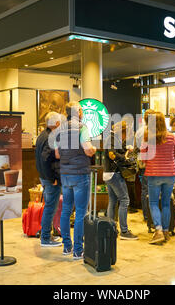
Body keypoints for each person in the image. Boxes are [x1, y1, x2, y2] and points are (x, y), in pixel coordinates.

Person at [55, 101, 96, 260]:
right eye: (81, 110)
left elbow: (57, 155)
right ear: (78, 112)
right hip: (80, 175)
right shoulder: (82, 128)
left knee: (66, 210)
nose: (83, 113)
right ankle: (78, 250)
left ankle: (67, 247)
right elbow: (87, 150)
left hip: (65, 174)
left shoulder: (59, 130)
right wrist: (94, 149)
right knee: (80, 212)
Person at [140, 112, 175, 244]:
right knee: (166, 203)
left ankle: (159, 230)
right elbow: (174, 154)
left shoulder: (147, 138)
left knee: (154, 203)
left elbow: (143, 158)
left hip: (154, 174)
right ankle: (166, 231)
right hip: (170, 174)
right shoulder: (172, 137)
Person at [103, 121, 138, 240]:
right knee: (124, 200)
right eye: (125, 134)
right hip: (114, 174)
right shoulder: (112, 138)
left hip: (108, 173)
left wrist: (125, 149)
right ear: (121, 131)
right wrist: (125, 158)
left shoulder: (112, 138)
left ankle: (110, 228)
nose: (125, 137)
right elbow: (112, 154)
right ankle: (124, 231)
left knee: (113, 201)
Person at [35, 111, 63, 247]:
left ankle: (47, 235)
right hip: (49, 178)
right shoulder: (50, 137)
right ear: (56, 123)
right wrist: (52, 179)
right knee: (50, 208)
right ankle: (45, 238)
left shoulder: (42, 135)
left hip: (43, 176)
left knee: (49, 206)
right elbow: (45, 159)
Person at [134, 109, 154, 222]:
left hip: (142, 163)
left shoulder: (139, 131)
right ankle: (152, 215)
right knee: (152, 190)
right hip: (152, 163)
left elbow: (137, 147)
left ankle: (146, 216)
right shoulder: (154, 131)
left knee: (144, 190)